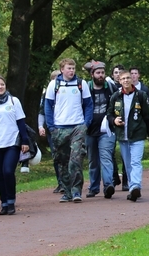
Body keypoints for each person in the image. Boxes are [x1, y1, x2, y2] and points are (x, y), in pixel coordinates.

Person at [44, 58, 92, 203]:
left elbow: (89, 105)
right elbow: (47, 106)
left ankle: (77, 190)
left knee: (75, 160)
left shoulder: (81, 84)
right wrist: (51, 127)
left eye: (73, 68)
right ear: (62, 70)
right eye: (68, 68)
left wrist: (85, 124)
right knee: (62, 161)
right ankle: (67, 191)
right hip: (59, 128)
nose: (71, 71)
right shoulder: (54, 84)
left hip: (77, 127)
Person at [0, 75, 29, 215]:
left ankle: (11, 200)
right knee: (0, 174)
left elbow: (21, 121)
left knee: (8, 171)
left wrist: (25, 141)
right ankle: (4, 203)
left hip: (12, 142)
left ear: (5, 86)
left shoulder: (14, 101)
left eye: (2, 84)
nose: (0, 87)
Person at [108, 69, 149, 202]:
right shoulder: (115, 96)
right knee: (128, 163)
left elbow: (147, 117)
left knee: (136, 162)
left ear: (132, 79)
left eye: (128, 78)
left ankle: (135, 186)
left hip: (137, 135)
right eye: (123, 79)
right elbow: (109, 114)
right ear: (119, 81)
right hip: (123, 136)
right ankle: (132, 188)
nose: (126, 81)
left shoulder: (141, 95)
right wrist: (114, 121)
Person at [84, 61, 116, 199]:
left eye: (102, 72)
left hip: (107, 130)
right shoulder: (86, 88)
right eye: (98, 73)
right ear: (92, 74)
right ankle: (94, 187)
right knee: (93, 160)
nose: (101, 75)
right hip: (90, 130)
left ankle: (109, 185)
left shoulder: (111, 88)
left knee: (106, 157)